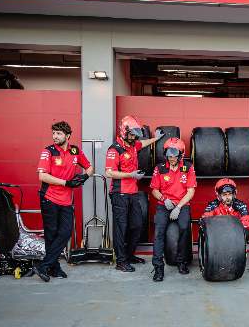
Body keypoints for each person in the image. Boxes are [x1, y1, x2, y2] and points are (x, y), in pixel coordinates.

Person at [35, 121, 93, 281]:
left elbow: (89, 167)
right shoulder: (48, 151)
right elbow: (42, 176)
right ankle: (53, 267)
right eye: (54, 133)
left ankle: (45, 265)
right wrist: (66, 183)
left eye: (59, 133)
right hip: (49, 198)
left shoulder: (75, 150)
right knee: (51, 235)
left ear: (67, 136)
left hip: (66, 200)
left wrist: (85, 176)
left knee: (66, 232)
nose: (55, 136)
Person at [105, 116, 163, 272]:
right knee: (121, 228)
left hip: (132, 193)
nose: (134, 137)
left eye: (135, 135)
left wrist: (156, 139)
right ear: (124, 132)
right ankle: (121, 261)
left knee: (137, 225)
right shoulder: (114, 149)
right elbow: (109, 173)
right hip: (119, 194)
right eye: (132, 134)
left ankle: (129, 255)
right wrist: (130, 175)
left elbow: (142, 144)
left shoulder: (132, 145)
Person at [149, 137, 196, 281]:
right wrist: (164, 199)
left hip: (182, 205)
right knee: (158, 233)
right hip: (164, 205)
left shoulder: (188, 167)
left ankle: (182, 262)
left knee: (184, 229)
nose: (171, 158)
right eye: (168, 154)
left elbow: (190, 191)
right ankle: (158, 268)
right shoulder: (160, 168)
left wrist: (179, 207)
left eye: (174, 155)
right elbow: (154, 190)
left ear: (181, 154)